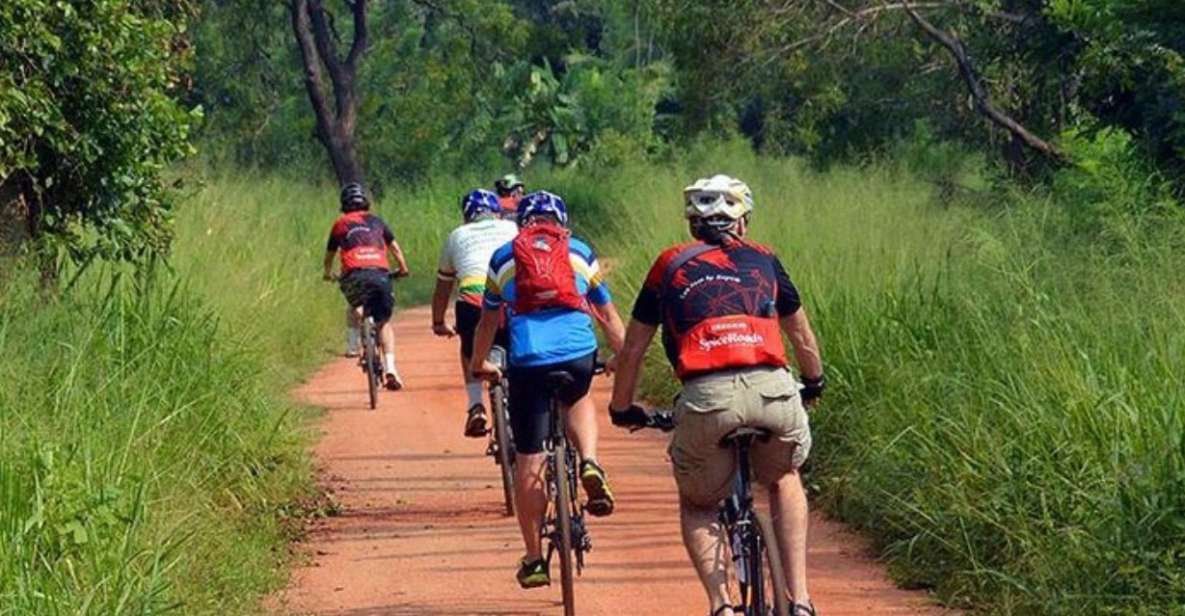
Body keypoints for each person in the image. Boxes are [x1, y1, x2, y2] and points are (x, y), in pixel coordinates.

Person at [607, 174, 825, 616]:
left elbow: (633, 348)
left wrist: (622, 407)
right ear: (742, 222)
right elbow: (799, 332)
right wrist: (815, 381)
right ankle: (800, 601)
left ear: (693, 226)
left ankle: (721, 604)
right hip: (773, 391)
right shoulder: (766, 259)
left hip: (707, 399)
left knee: (699, 501)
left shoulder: (669, 264)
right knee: (784, 478)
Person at [470, 190, 627, 589]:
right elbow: (606, 314)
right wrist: (622, 356)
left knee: (529, 456)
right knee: (578, 396)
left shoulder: (504, 258)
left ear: (522, 223)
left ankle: (535, 558)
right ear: (562, 221)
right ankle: (589, 460)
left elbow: (488, 322)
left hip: (528, 359)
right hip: (577, 352)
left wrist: (478, 364)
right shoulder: (580, 251)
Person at [431, 188, 519, 436]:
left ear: (466, 216)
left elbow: (443, 288)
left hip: (473, 301)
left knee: (468, 349)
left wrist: (438, 321)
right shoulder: (512, 229)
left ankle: (475, 405)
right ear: (497, 213)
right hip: (510, 300)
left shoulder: (456, 235)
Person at [323, 182, 411, 391]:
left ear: (343, 204)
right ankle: (391, 368)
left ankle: (353, 345)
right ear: (366, 202)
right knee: (384, 322)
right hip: (380, 274)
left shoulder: (340, 224)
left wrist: (328, 274)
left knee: (355, 304)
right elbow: (395, 249)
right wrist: (403, 269)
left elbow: (329, 256)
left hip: (354, 275)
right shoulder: (377, 221)